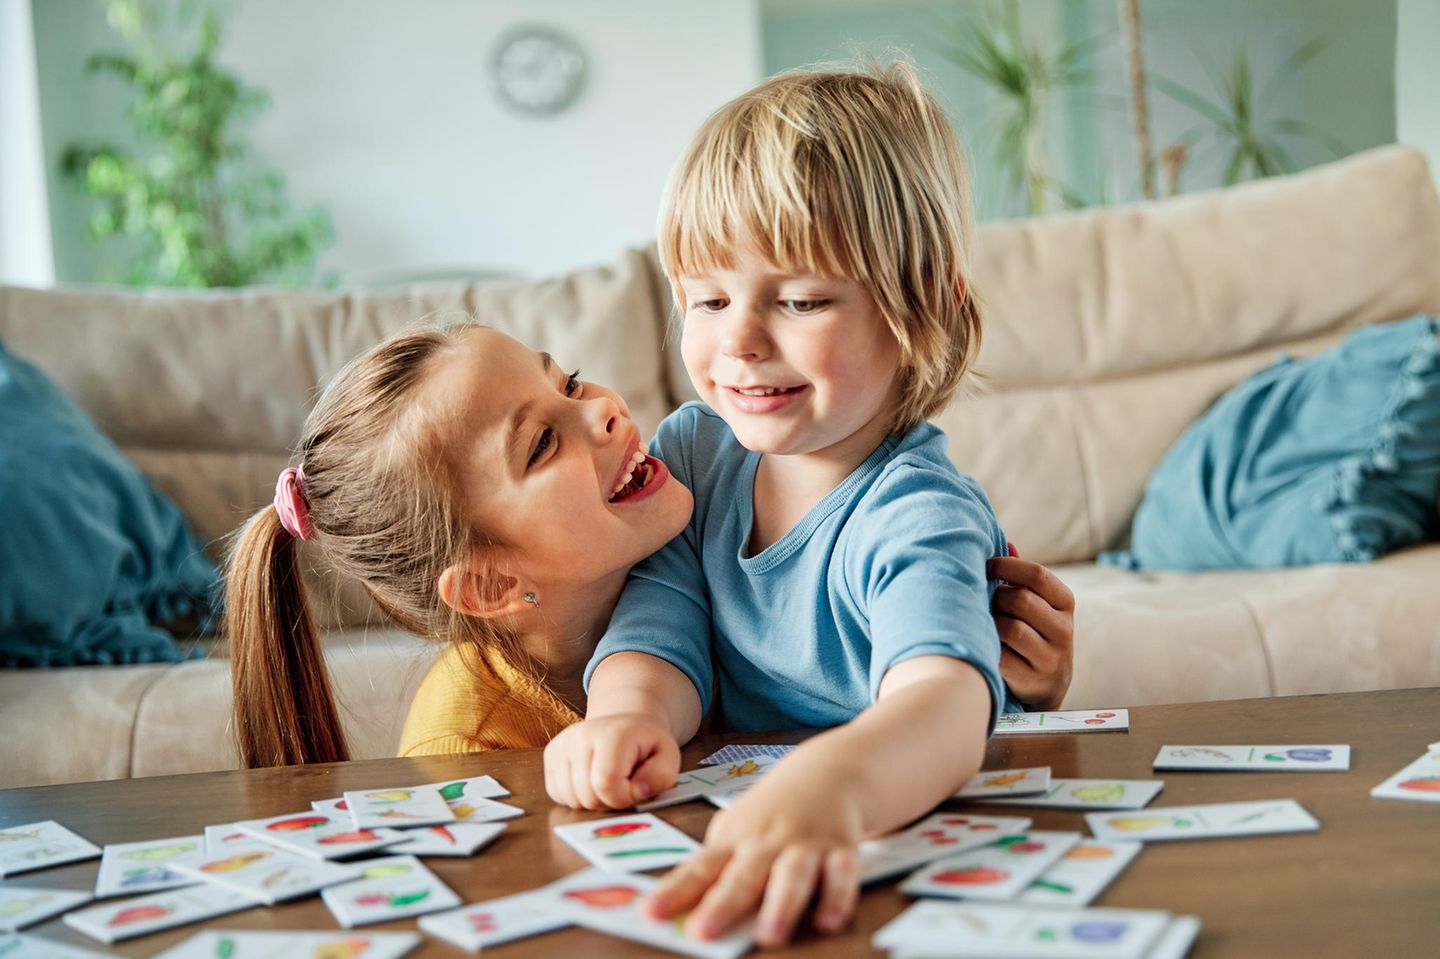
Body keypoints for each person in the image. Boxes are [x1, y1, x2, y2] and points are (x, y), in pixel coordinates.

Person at [543, 63, 1039, 947]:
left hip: (879, 854)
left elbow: (946, 703)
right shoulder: (694, 451)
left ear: (924, 313)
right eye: (708, 298)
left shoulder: (918, 506)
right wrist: (628, 714)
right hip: (726, 841)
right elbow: (661, 624)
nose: (738, 338)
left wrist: (830, 788)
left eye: (802, 298)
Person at [229, 324, 1073, 768]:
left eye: (566, 379)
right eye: (541, 444)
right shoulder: (467, 740)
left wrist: (1012, 678)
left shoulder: (723, 502)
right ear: (487, 584)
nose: (601, 409)